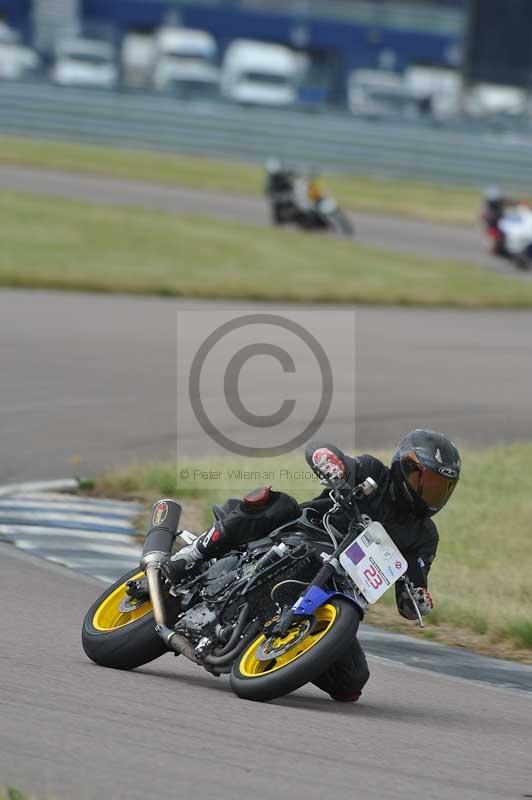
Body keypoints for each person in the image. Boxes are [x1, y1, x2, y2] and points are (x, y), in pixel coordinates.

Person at [159, 428, 461, 702]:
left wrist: (417, 597)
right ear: (405, 469)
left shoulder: (424, 536)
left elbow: (411, 596)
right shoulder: (373, 474)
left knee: (352, 683)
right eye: (429, 482)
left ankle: (284, 654)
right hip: (302, 537)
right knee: (277, 503)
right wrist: (330, 464)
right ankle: (193, 555)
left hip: (337, 590)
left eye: (442, 487)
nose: (433, 494)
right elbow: (320, 450)